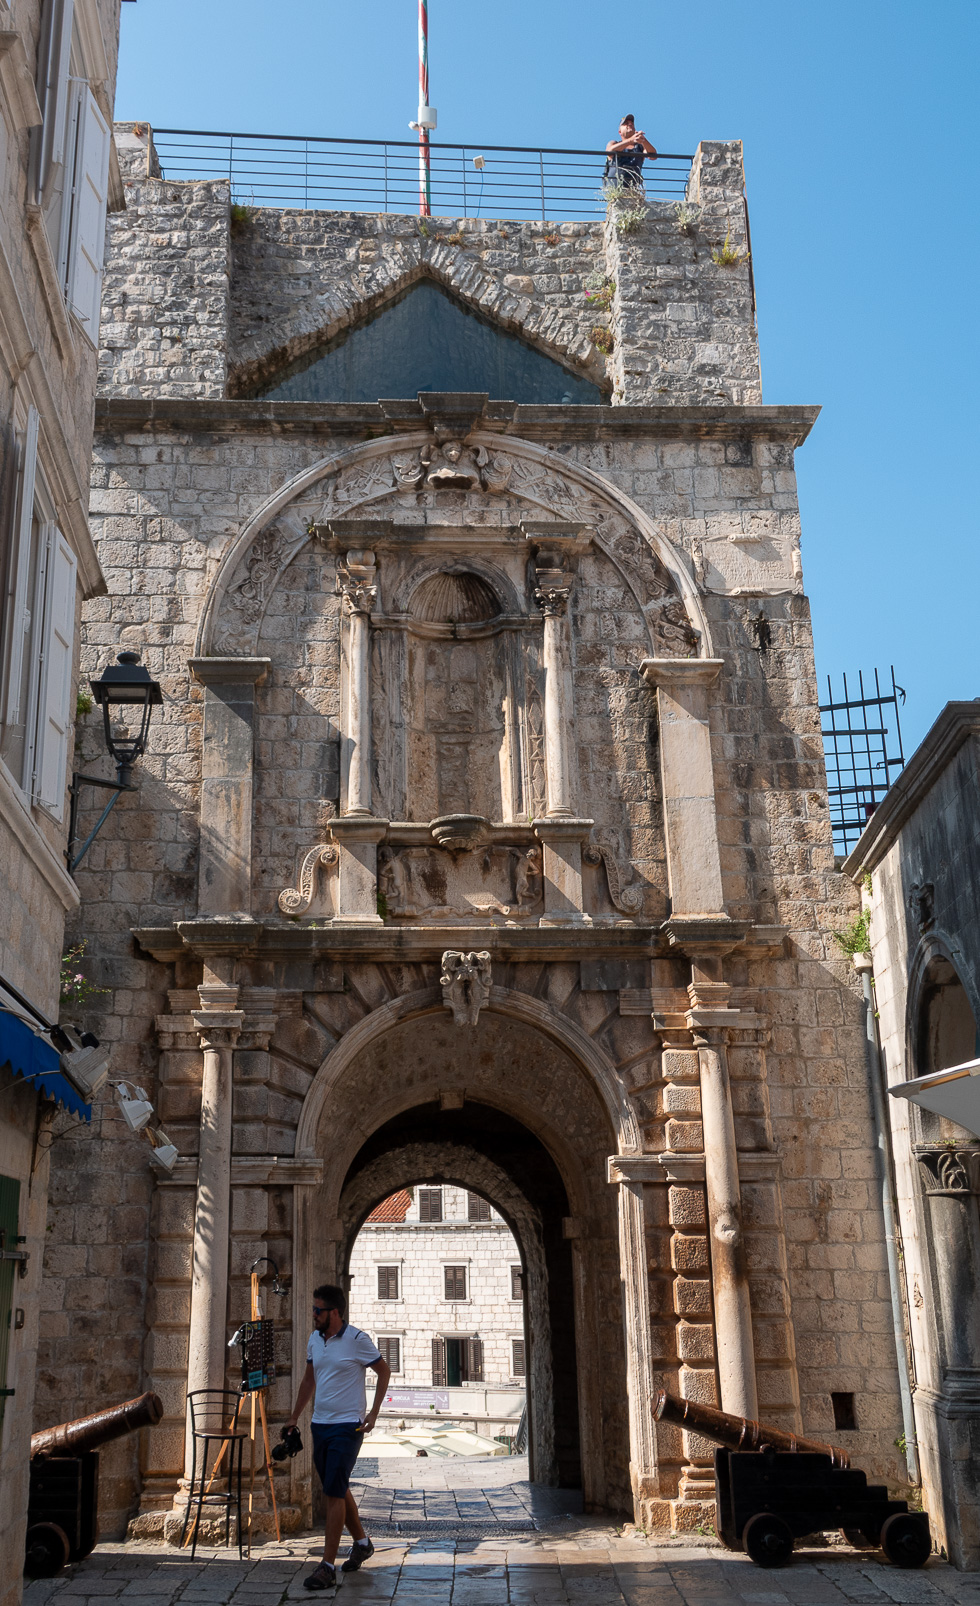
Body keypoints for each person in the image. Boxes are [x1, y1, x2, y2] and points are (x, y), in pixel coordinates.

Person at [284, 1283, 391, 1591]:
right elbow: (308, 1380)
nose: (313, 1315)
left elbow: (383, 1371)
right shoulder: (314, 1340)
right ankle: (362, 1543)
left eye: (318, 1310)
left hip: (348, 1426)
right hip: (320, 1424)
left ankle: (326, 1567)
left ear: (333, 1313)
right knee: (337, 1485)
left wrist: (373, 1413)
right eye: (313, 1309)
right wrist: (294, 1417)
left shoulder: (358, 1340)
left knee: (332, 1491)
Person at [604, 115, 657, 194]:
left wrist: (643, 140)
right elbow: (609, 151)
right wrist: (630, 140)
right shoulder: (614, 143)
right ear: (620, 132)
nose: (630, 124)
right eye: (625, 124)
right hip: (615, 190)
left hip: (632, 191)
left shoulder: (640, 147)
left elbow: (653, 155)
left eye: (632, 123)